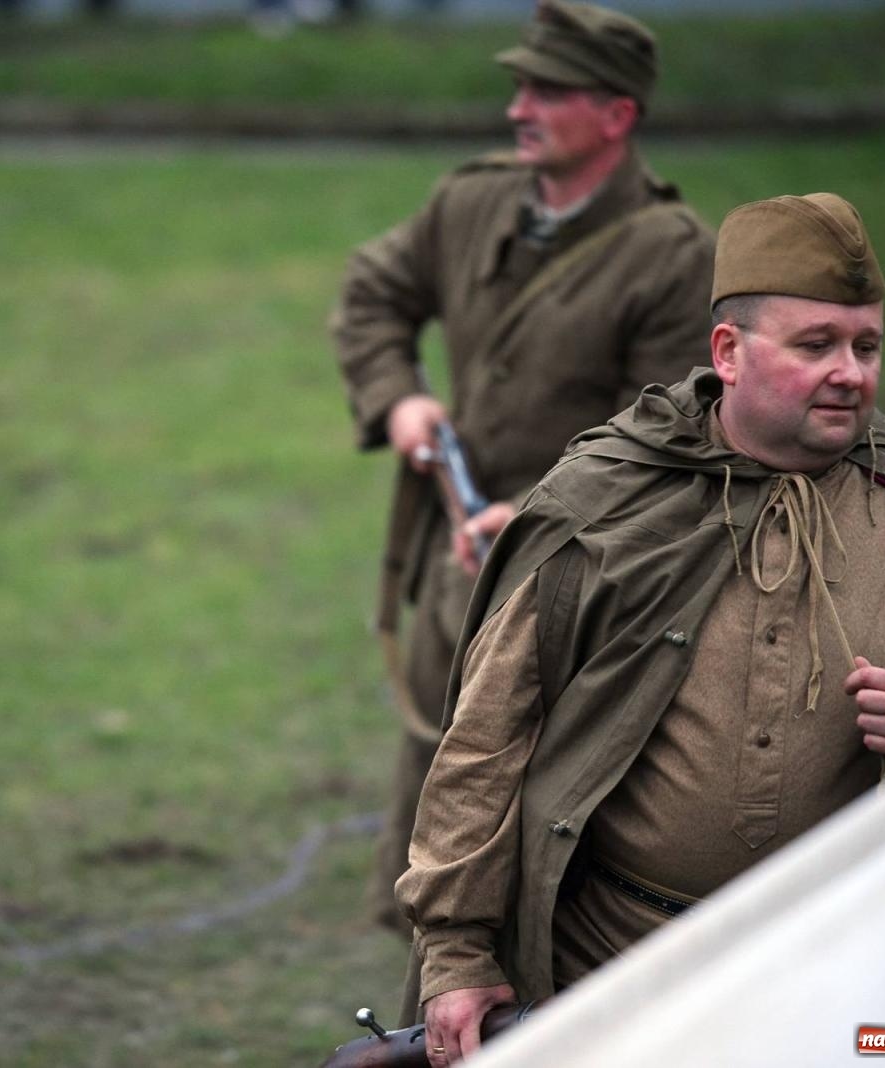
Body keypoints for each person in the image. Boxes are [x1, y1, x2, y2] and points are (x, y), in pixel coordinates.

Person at [396, 192, 885, 1065]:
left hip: (847, 979)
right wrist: (457, 950)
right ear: (728, 352)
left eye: (865, 345)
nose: (850, 371)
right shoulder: (602, 508)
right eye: (815, 345)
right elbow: (485, 743)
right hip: (610, 968)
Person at [329, 0, 715, 933]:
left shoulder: (674, 257)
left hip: (581, 596)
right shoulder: (471, 201)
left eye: (547, 90)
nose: (518, 108)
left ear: (616, 115)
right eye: (518, 87)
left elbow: (670, 443)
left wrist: (542, 522)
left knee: (543, 844)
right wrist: (399, 398)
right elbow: (374, 289)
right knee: (435, 827)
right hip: (454, 573)